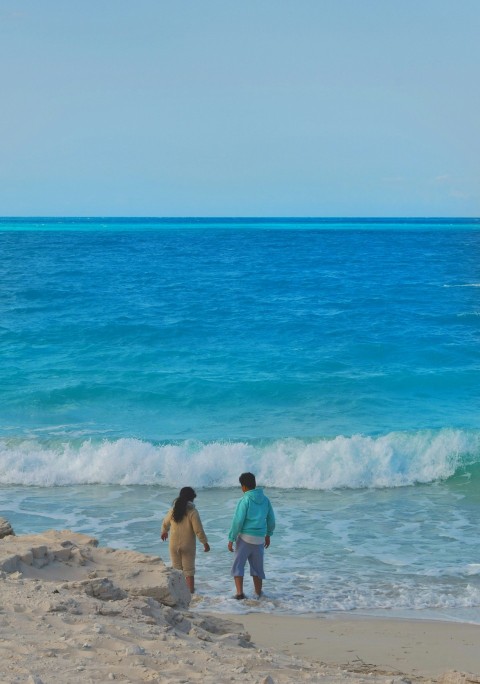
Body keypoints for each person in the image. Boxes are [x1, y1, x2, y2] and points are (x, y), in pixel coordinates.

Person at [227, 472, 275, 600]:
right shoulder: (265, 500)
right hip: (259, 539)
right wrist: (268, 534)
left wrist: (231, 538)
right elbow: (271, 520)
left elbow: (238, 521)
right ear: (254, 484)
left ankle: (239, 593)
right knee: (257, 569)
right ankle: (258, 594)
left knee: (238, 566)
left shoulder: (245, 500)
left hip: (245, 538)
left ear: (243, 487)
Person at [161, 486, 210, 593]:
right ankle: (191, 593)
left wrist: (164, 531)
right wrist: (205, 542)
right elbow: (198, 530)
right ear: (192, 498)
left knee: (176, 570)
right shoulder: (192, 511)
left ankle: (179, 592)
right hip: (188, 546)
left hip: (173, 545)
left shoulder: (174, 509)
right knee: (189, 571)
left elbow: (165, 522)